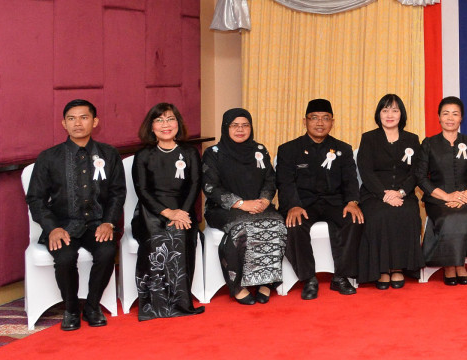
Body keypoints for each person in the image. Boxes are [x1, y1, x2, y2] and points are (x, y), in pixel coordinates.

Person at [24, 99, 124, 330]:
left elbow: (117, 193)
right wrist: (52, 228)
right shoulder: (49, 157)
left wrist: (109, 222)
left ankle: (92, 306)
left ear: (95, 122)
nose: (77, 123)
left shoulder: (109, 154)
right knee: (65, 257)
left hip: (97, 223)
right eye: (71, 118)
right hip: (63, 225)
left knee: (107, 251)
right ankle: (70, 309)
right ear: (64, 124)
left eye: (84, 117)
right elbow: (35, 199)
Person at [276, 99, 363, 299]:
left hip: (334, 203)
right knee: (294, 224)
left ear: (332, 122)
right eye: (314, 118)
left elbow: (351, 179)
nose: (320, 123)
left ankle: (340, 276)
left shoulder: (343, 149)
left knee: (355, 220)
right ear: (304, 121)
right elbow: (285, 182)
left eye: (325, 118)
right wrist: (293, 205)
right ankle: (308, 279)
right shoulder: (288, 149)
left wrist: (352, 202)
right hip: (302, 204)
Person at [202, 108, 287, 305]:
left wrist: (264, 200)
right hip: (223, 209)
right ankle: (238, 285)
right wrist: (241, 204)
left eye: (245, 125)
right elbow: (210, 187)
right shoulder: (213, 153)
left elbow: (270, 179)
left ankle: (266, 281)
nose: (240, 130)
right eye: (235, 125)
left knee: (277, 224)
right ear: (226, 128)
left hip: (258, 205)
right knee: (243, 226)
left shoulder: (259, 150)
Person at [130, 103, 205, 320]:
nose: (166, 125)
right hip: (150, 211)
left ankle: (180, 303)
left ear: (178, 124)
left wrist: (182, 212)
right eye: (159, 120)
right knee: (157, 238)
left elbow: (195, 186)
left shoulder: (190, 152)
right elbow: (142, 190)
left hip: (183, 210)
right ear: (151, 126)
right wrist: (167, 213)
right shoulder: (143, 155)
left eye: (170, 119)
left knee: (180, 234)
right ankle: (154, 305)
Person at [414, 96, 467, 285]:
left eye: (455, 114)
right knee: (448, 216)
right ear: (439, 117)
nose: (450, 118)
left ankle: (459, 264)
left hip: (466, 197)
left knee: (465, 215)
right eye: (445, 113)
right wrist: (446, 196)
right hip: (438, 198)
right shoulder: (428, 144)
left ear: (461, 117)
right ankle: (449, 266)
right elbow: (420, 177)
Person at [356, 94, 424, 289]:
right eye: (385, 110)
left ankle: (398, 268)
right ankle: (382, 269)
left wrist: (401, 192)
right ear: (379, 114)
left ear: (401, 114)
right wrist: (384, 194)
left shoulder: (412, 139)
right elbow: (365, 171)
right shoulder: (369, 138)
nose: (389, 115)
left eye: (394, 110)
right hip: (374, 193)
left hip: (404, 193)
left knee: (406, 213)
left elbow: (416, 172)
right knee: (379, 215)